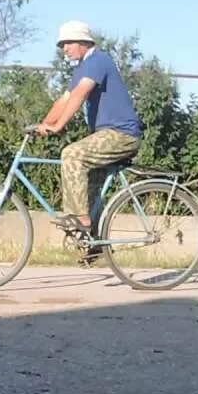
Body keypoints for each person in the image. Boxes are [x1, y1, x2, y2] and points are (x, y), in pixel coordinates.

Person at [34, 20, 142, 234]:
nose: (64, 49)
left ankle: (81, 220)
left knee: (72, 155)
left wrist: (58, 126)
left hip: (122, 134)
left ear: (83, 42)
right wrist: (44, 124)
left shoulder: (98, 61)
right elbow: (65, 99)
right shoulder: (83, 68)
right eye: (62, 45)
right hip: (107, 134)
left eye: (68, 43)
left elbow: (79, 95)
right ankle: (92, 244)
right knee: (89, 189)